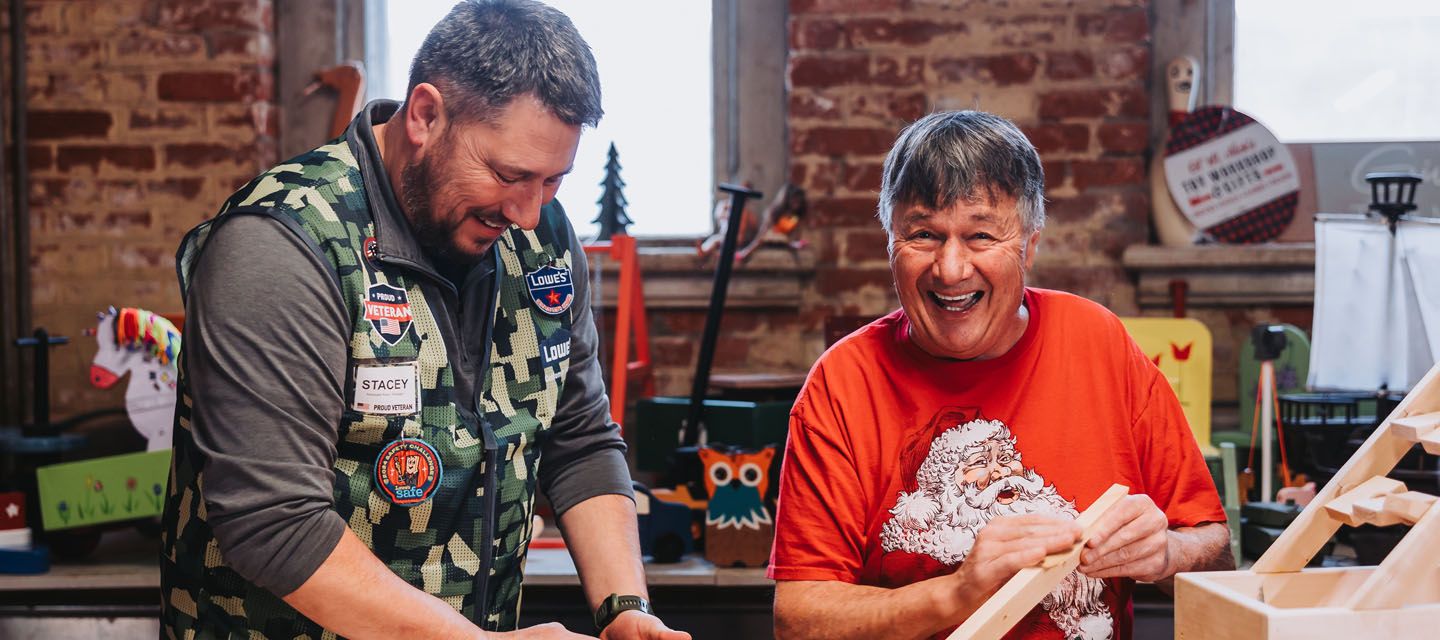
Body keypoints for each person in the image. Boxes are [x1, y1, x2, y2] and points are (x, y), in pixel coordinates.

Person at [159, 2, 689, 639]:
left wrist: (625, 609)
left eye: (553, 181)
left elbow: (577, 438)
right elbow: (275, 524)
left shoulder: (539, 241)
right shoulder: (283, 245)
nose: (527, 212)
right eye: (508, 174)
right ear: (425, 115)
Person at [767, 110, 1232, 640]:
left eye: (982, 235)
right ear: (889, 241)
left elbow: (1216, 552)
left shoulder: (1099, 343)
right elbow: (797, 621)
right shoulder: (844, 382)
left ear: (1030, 246)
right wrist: (958, 592)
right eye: (923, 234)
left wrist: (1168, 553)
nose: (950, 269)